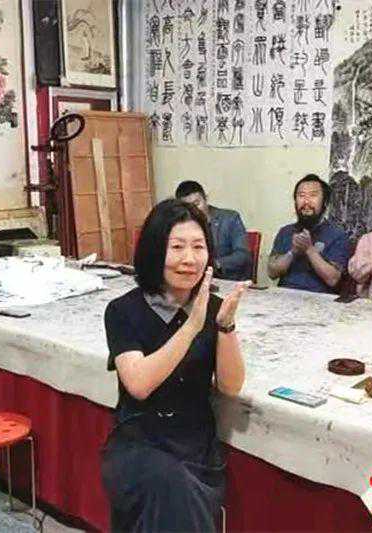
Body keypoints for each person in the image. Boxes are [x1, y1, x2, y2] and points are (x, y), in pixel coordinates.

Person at [101, 199, 249, 532]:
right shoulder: (123, 311)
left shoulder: (212, 307)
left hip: (196, 446)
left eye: (198, 247)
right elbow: (139, 384)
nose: (189, 259)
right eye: (177, 247)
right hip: (140, 443)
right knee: (170, 489)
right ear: (155, 251)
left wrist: (225, 326)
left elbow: (230, 386)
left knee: (178, 495)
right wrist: (191, 326)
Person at [267, 174, 350, 293]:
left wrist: (309, 249)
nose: (306, 201)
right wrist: (292, 252)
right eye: (301, 196)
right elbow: (272, 273)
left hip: (320, 298)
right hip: (285, 295)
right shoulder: (285, 232)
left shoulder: (338, 235)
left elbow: (333, 279)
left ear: (325, 202)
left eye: (313, 195)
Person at [175, 180, 252, 281]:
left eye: (197, 204)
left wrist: (214, 264)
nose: (194, 210)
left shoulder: (230, 219)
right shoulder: (181, 226)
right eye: (188, 207)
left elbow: (243, 255)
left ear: (205, 199)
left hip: (228, 280)